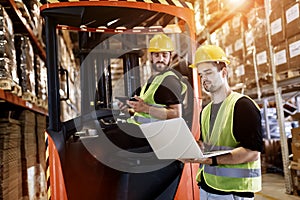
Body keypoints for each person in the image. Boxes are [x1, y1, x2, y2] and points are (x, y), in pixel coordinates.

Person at [189, 44, 263, 200]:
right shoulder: (206, 111)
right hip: (207, 187)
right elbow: (208, 145)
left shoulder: (243, 106)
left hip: (233, 193)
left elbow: (252, 152)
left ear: (223, 72)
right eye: (201, 74)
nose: (204, 79)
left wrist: (210, 160)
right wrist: (192, 149)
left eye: (208, 72)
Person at [120, 33, 187, 124]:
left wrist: (145, 108)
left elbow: (176, 114)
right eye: (157, 55)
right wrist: (130, 109)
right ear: (151, 57)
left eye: (164, 55)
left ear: (170, 57)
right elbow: (146, 114)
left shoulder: (170, 81)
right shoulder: (153, 79)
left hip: (154, 133)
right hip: (142, 127)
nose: (161, 59)